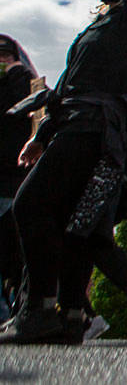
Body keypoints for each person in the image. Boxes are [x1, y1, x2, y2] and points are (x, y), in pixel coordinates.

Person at [1, 0, 127, 344]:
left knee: (31, 206)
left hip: (94, 132)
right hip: (73, 125)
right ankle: (68, 314)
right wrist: (41, 134)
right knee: (74, 226)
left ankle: (39, 310)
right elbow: (67, 87)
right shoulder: (94, 32)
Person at [0, 34, 36, 321]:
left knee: (15, 257)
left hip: (9, 181)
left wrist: (14, 69)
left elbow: (30, 103)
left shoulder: (20, 81)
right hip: (11, 182)